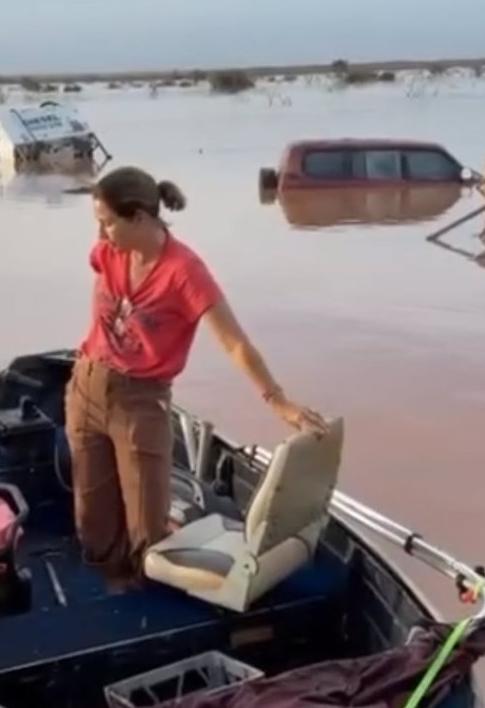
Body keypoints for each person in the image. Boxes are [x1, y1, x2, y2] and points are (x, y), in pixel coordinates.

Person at [65, 165, 329, 587]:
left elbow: (234, 343)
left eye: (108, 222)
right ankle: (106, 594)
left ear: (139, 217)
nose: (101, 234)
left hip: (139, 402)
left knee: (146, 531)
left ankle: (146, 601)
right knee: (92, 519)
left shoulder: (184, 272)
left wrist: (277, 400)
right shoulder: (108, 253)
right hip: (86, 386)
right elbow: (106, 289)